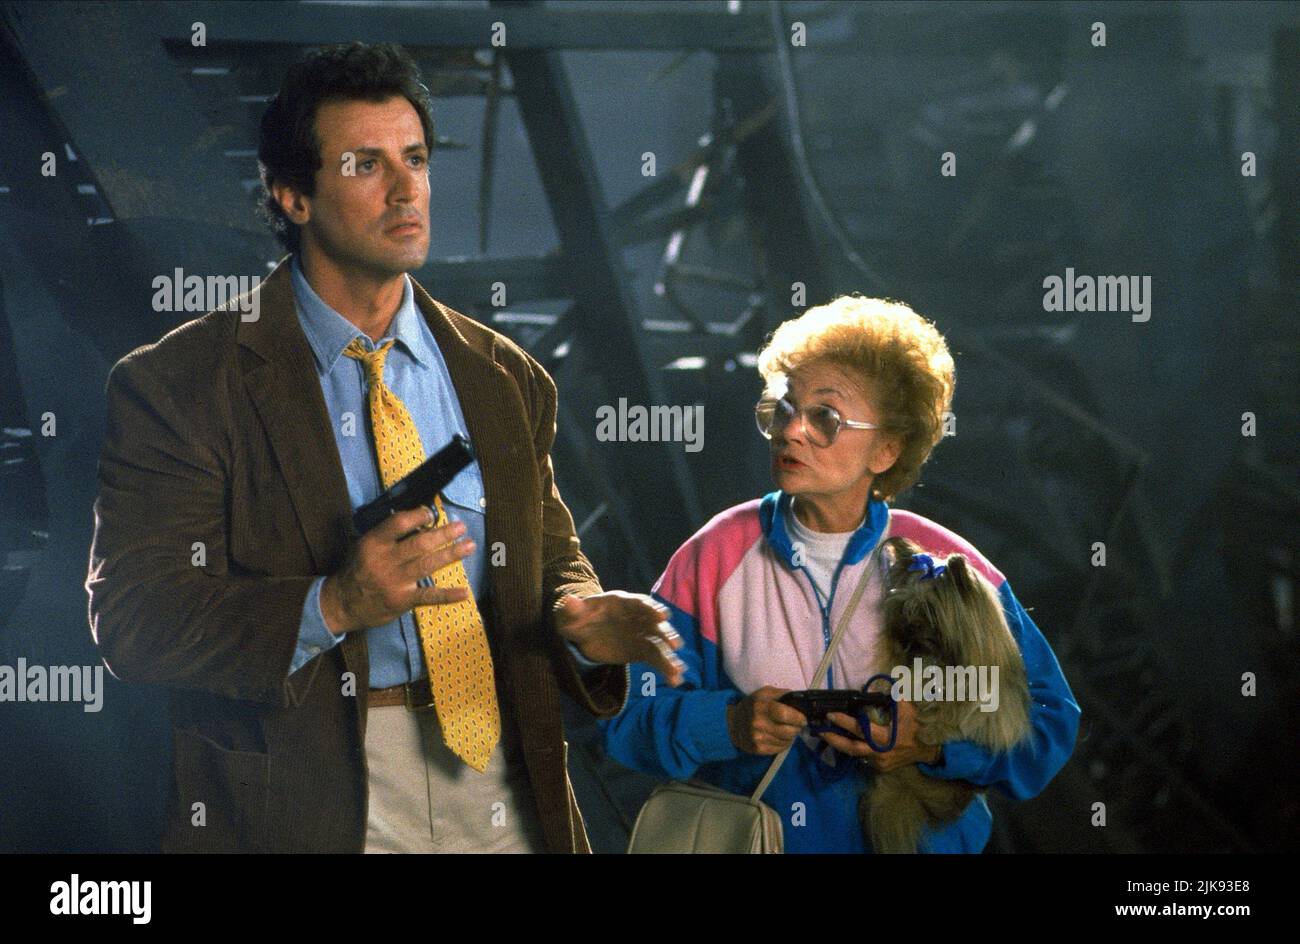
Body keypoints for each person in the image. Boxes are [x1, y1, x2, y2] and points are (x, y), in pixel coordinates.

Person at [85, 42, 683, 854]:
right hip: (315, 793)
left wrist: (578, 615)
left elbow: (548, 555)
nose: (407, 190)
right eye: (366, 164)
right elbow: (135, 621)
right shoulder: (181, 386)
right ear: (292, 194)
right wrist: (335, 604)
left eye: (416, 159)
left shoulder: (504, 376)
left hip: (503, 779)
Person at [600, 295, 1080, 853]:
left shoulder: (949, 562)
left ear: (886, 450)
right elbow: (625, 715)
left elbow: (1048, 723)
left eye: (824, 417)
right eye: (783, 408)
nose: (791, 431)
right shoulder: (717, 555)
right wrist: (726, 725)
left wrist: (930, 747)